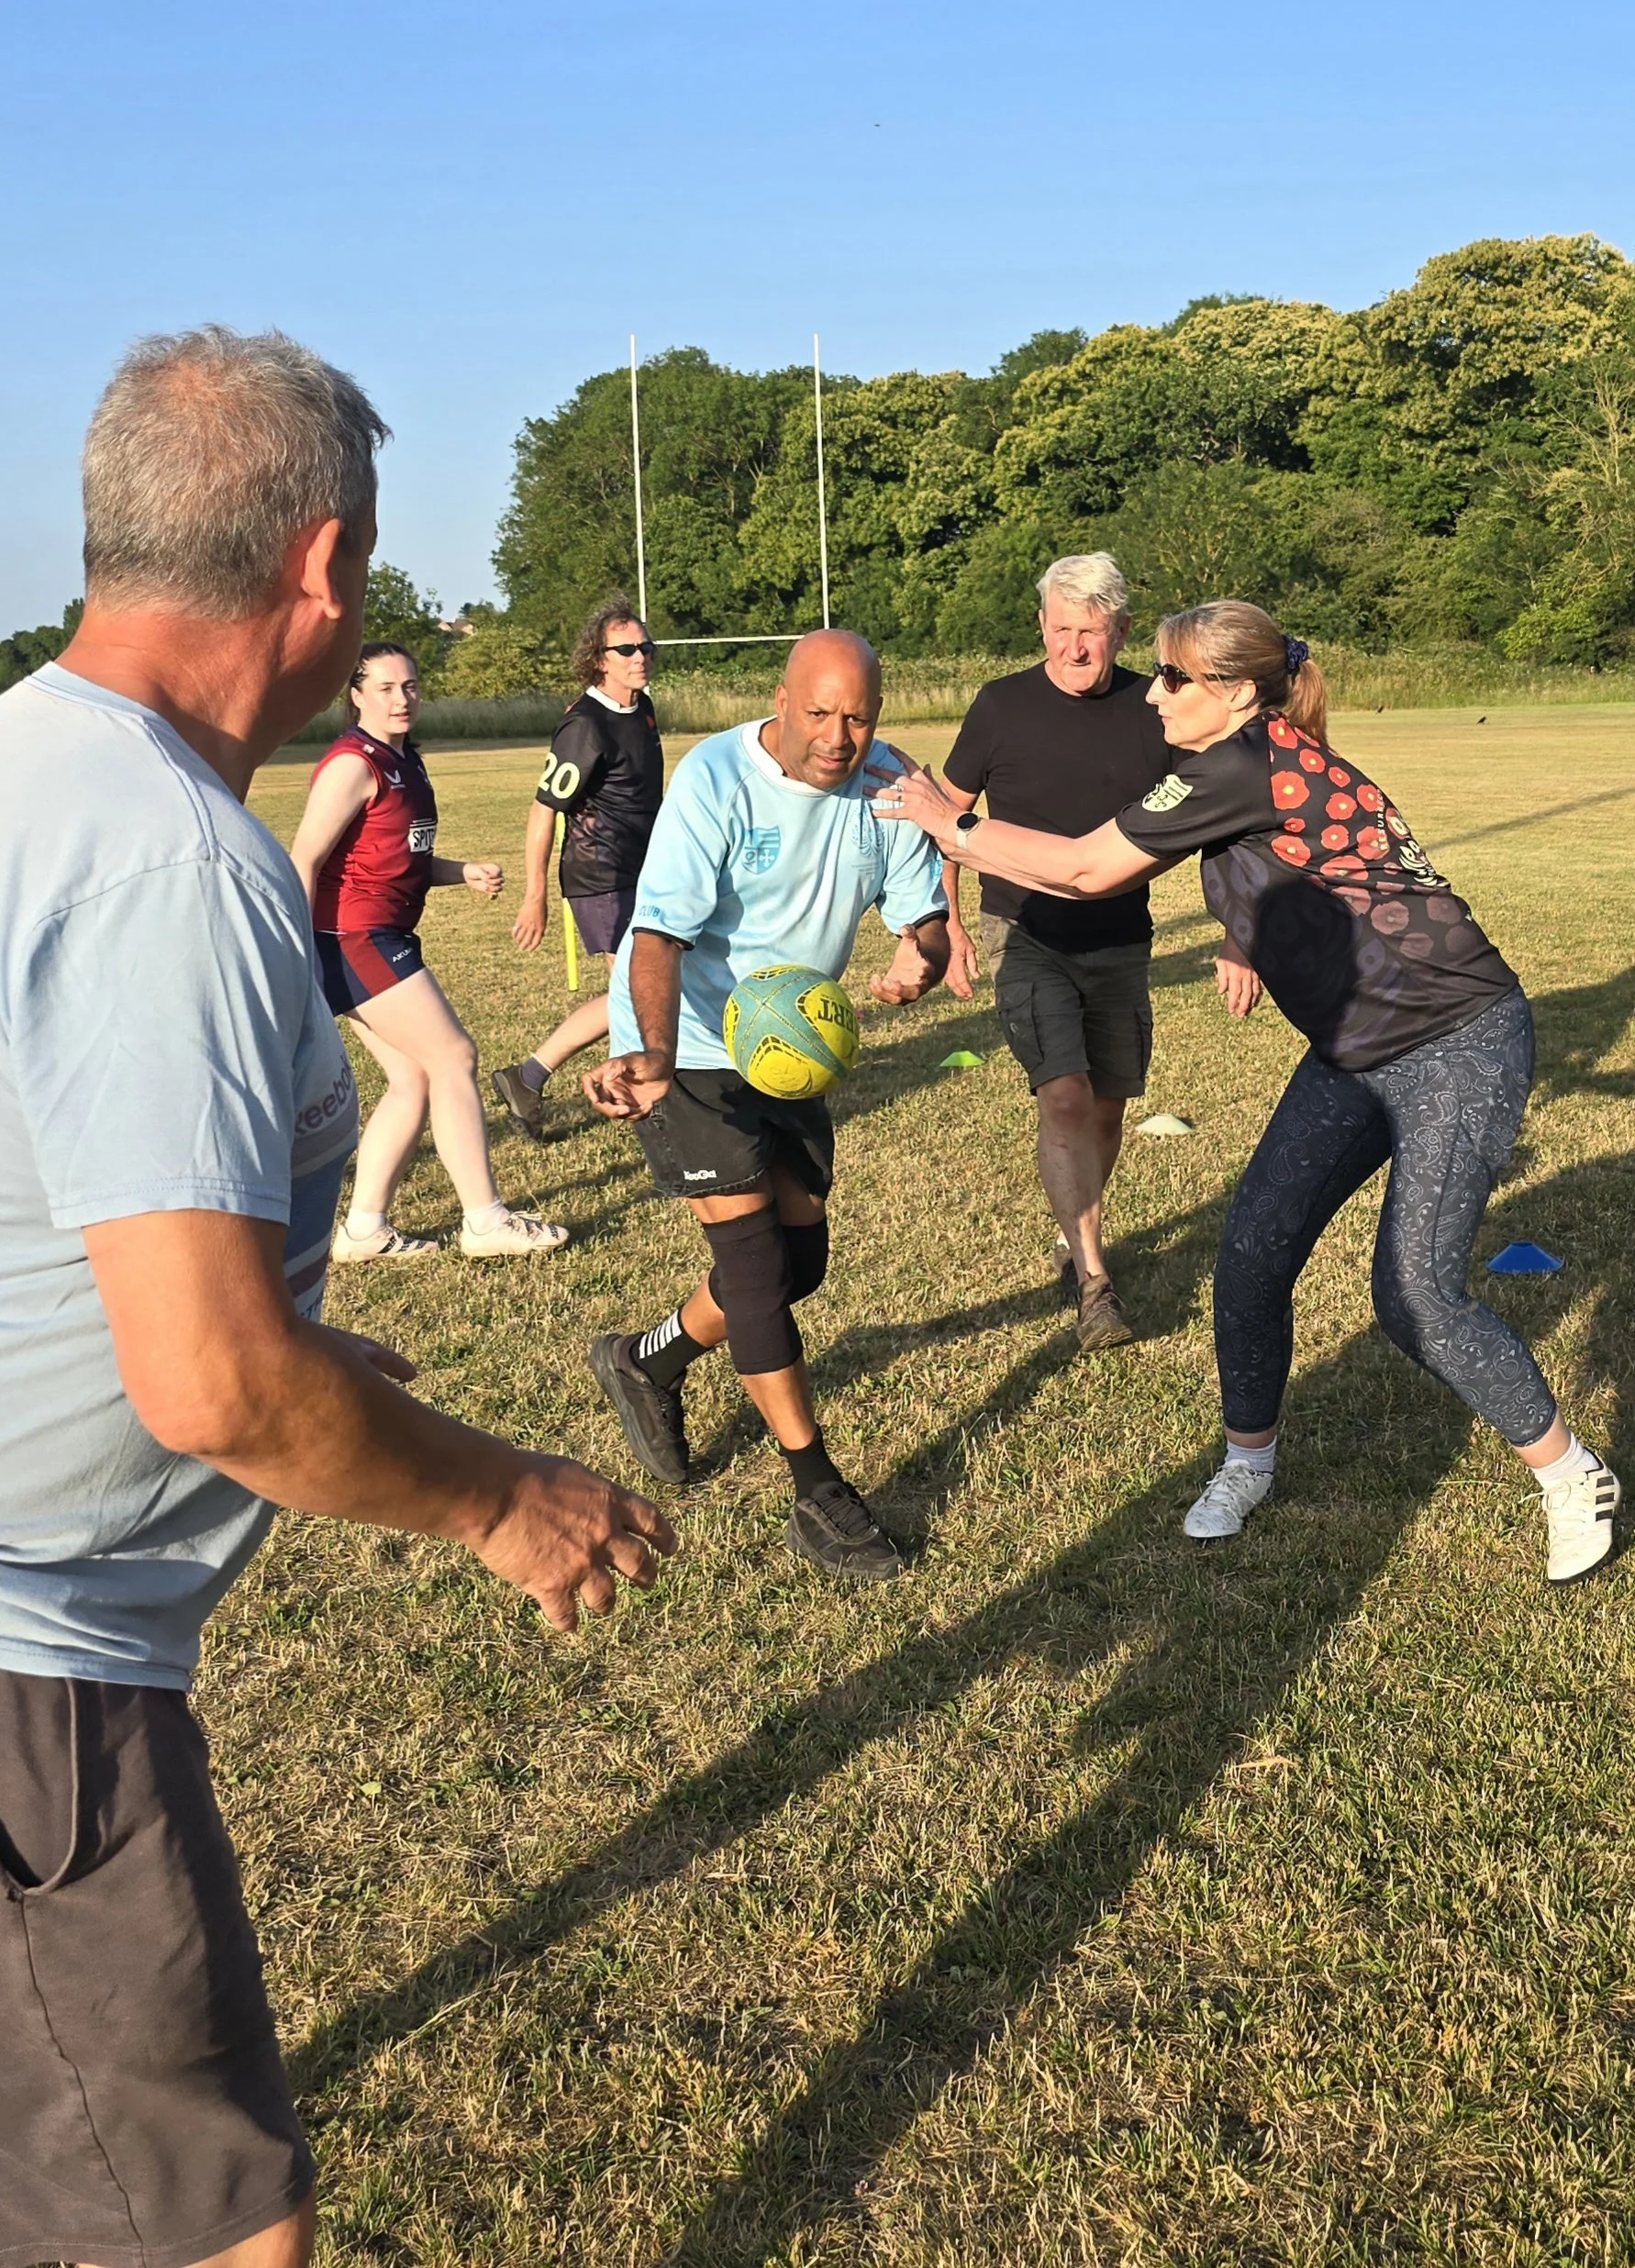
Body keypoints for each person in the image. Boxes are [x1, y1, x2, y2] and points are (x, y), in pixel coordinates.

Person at [0, 326, 673, 2268]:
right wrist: (495, 1495)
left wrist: (293, 1332)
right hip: (42, 1683)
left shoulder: (35, 759)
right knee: (220, 2233)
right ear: (322, 571)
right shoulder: (164, 859)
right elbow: (210, 1385)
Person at [871, 600, 1620, 1586]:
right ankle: (1248, 1463)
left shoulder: (1246, 762)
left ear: (1231, 693)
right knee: (1253, 1254)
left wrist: (950, 824)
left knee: (1415, 1294)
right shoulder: (1238, 756)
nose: (1152, 691)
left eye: (1173, 677)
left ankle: (1573, 1476)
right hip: (1355, 1051)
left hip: (1456, 1044)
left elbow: (1090, 870)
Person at [582, 629, 950, 1582]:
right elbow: (657, 932)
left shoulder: (888, 785)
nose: (838, 736)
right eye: (820, 713)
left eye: (858, 715)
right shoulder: (716, 779)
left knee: (796, 1266)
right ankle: (818, 1491)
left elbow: (925, 913)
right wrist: (649, 1057)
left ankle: (647, 1359)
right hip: (693, 1042)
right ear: (781, 701)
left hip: (789, 1056)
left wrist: (924, 953)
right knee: (749, 1262)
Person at [937, 554, 1176, 1350]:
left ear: (1123, 632)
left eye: (1093, 632)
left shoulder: (1158, 708)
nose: (1076, 647)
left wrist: (1241, 936)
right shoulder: (1001, 706)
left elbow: (1217, 822)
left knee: (1107, 1108)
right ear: (1041, 625)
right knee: (1066, 1099)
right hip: (1025, 930)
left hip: (1121, 936)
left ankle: (1076, 1239)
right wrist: (952, 926)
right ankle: (1095, 1284)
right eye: (1062, 629)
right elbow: (949, 818)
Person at [290, 641, 569, 1260]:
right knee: (453, 1055)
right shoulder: (354, 764)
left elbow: (400, 860)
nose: (401, 698)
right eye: (386, 688)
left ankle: (363, 1230)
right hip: (352, 938)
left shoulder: (404, 761)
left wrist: (461, 871)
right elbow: (304, 860)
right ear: (356, 694)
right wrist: (300, 959)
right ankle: (484, 1219)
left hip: (379, 934)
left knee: (411, 1078)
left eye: (410, 686)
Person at [492, 597, 665, 1135]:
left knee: (638, 991)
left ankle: (528, 1076)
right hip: (601, 878)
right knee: (640, 991)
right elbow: (544, 810)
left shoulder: (643, 706)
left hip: (645, 870)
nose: (641, 656)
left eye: (645, 646)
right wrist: (534, 894)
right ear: (599, 659)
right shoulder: (585, 727)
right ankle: (646, 1106)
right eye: (627, 649)